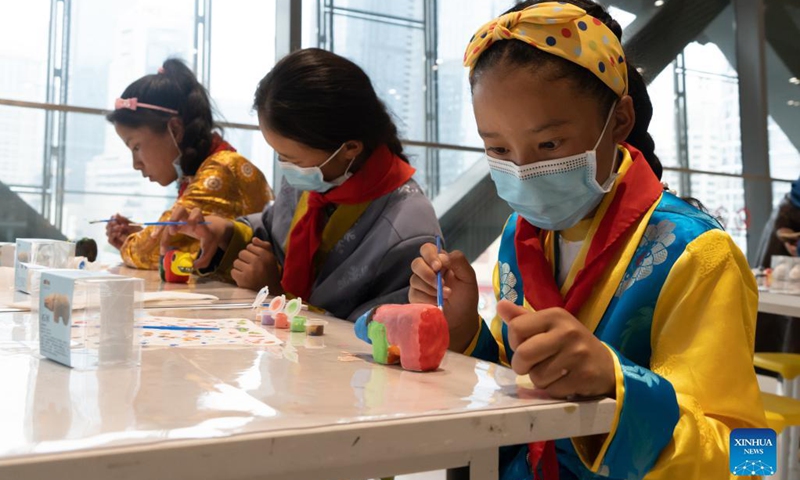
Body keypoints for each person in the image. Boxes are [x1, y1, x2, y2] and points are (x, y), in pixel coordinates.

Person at [408, 2, 765, 479]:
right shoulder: (523, 235)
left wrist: (617, 389)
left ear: (618, 120)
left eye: (549, 145)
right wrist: (463, 332)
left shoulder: (696, 254)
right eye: (497, 149)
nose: (522, 170)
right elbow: (520, 384)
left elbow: (750, 457)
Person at [165, 49, 441, 321]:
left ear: (350, 148)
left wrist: (279, 297)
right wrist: (224, 232)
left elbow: (385, 338)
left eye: (290, 158)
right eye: (280, 155)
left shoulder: (409, 231)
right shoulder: (316, 177)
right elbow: (273, 230)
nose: (286, 167)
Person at [105, 58, 271, 270]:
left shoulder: (220, 171)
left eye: (136, 147)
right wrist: (139, 235)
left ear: (174, 129)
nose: (136, 164)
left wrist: (134, 241)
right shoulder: (211, 166)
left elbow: (149, 251)